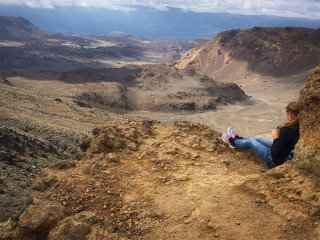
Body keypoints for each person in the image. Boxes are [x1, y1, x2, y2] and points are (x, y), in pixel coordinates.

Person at [222, 102, 300, 168]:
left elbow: (275, 153)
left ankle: (231, 141)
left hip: (275, 161)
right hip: (286, 154)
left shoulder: (287, 130)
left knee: (252, 142)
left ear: (290, 114)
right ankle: (237, 138)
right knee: (258, 139)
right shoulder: (299, 126)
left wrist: (275, 137)